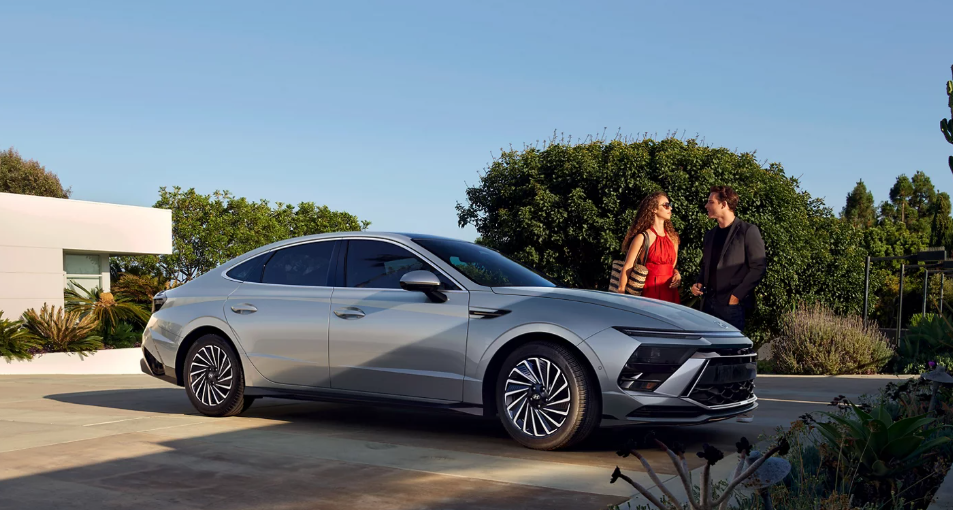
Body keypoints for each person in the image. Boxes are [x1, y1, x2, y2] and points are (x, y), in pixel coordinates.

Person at [690, 186, 767, 331]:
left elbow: (758, 267)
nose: (706, 205)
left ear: (723, 204)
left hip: (731, 307)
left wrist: (736, 296)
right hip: (708, 305)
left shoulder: (748, 231)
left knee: (730, 351)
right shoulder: (710, 235)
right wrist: (698, 283)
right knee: (707, 351)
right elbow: (706, 265)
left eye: (710, 202)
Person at [617, 191, 681, 303]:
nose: (670, 209)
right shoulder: (642, 237)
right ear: (654, 209)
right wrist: (621, 293)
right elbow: (628, 266)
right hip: (649, 291)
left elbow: (672, 265)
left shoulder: (673, 238)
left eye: (670, 205)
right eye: (666, 205)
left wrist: (677, 274)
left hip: (670, 291)